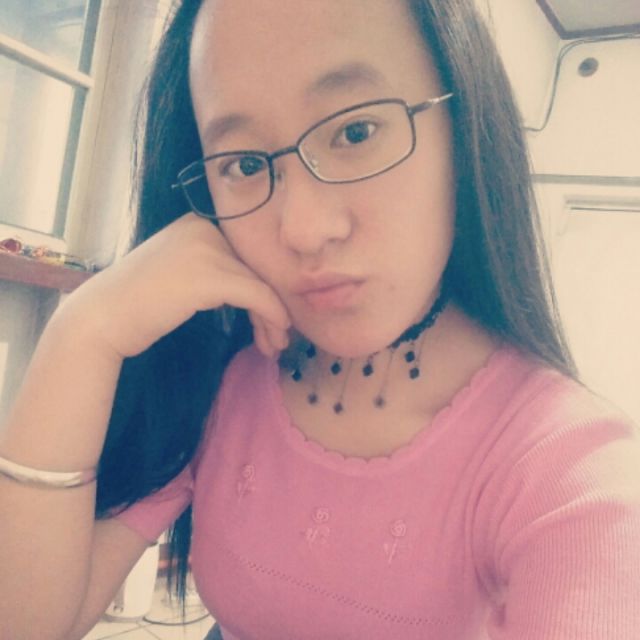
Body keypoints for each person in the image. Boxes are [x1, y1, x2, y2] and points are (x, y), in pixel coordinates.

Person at [1, 0, 639, 638]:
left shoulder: (570, 472)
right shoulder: (226, 377)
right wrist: (84, 331)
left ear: (466, 127)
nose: (304, 230)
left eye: (355, 132)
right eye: (245, 165)